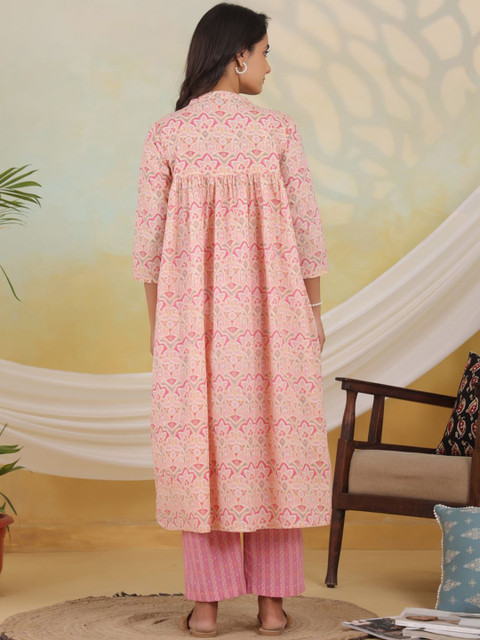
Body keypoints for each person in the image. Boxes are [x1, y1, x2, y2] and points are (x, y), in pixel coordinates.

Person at [132, 2, 332, 636]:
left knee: (205, 453)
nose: (270, 67)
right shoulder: (278, 131)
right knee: (275, 447)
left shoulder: (167, 134)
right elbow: (307, 234)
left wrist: (160, 329)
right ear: (239, 55)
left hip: (192, 326)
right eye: (266, 53)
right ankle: (272, 609)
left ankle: (206, 610)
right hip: (276, 321)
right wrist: (314, 313)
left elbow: (149, 250)